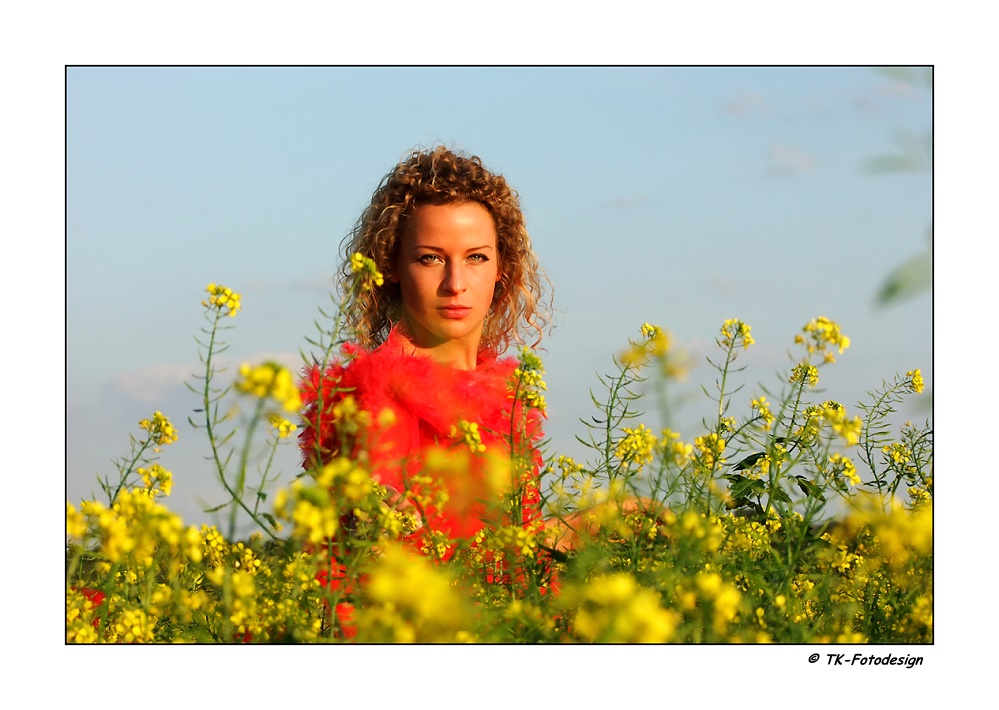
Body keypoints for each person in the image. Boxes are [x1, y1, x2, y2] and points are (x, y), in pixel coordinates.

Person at [298, 145, 555, 584]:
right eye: (430, 258)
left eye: (476, 257)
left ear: (501, 269)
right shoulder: (377, 393)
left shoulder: (505, 398)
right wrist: (573, 534)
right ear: (392, 266)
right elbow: (411, 571)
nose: (455, 284)